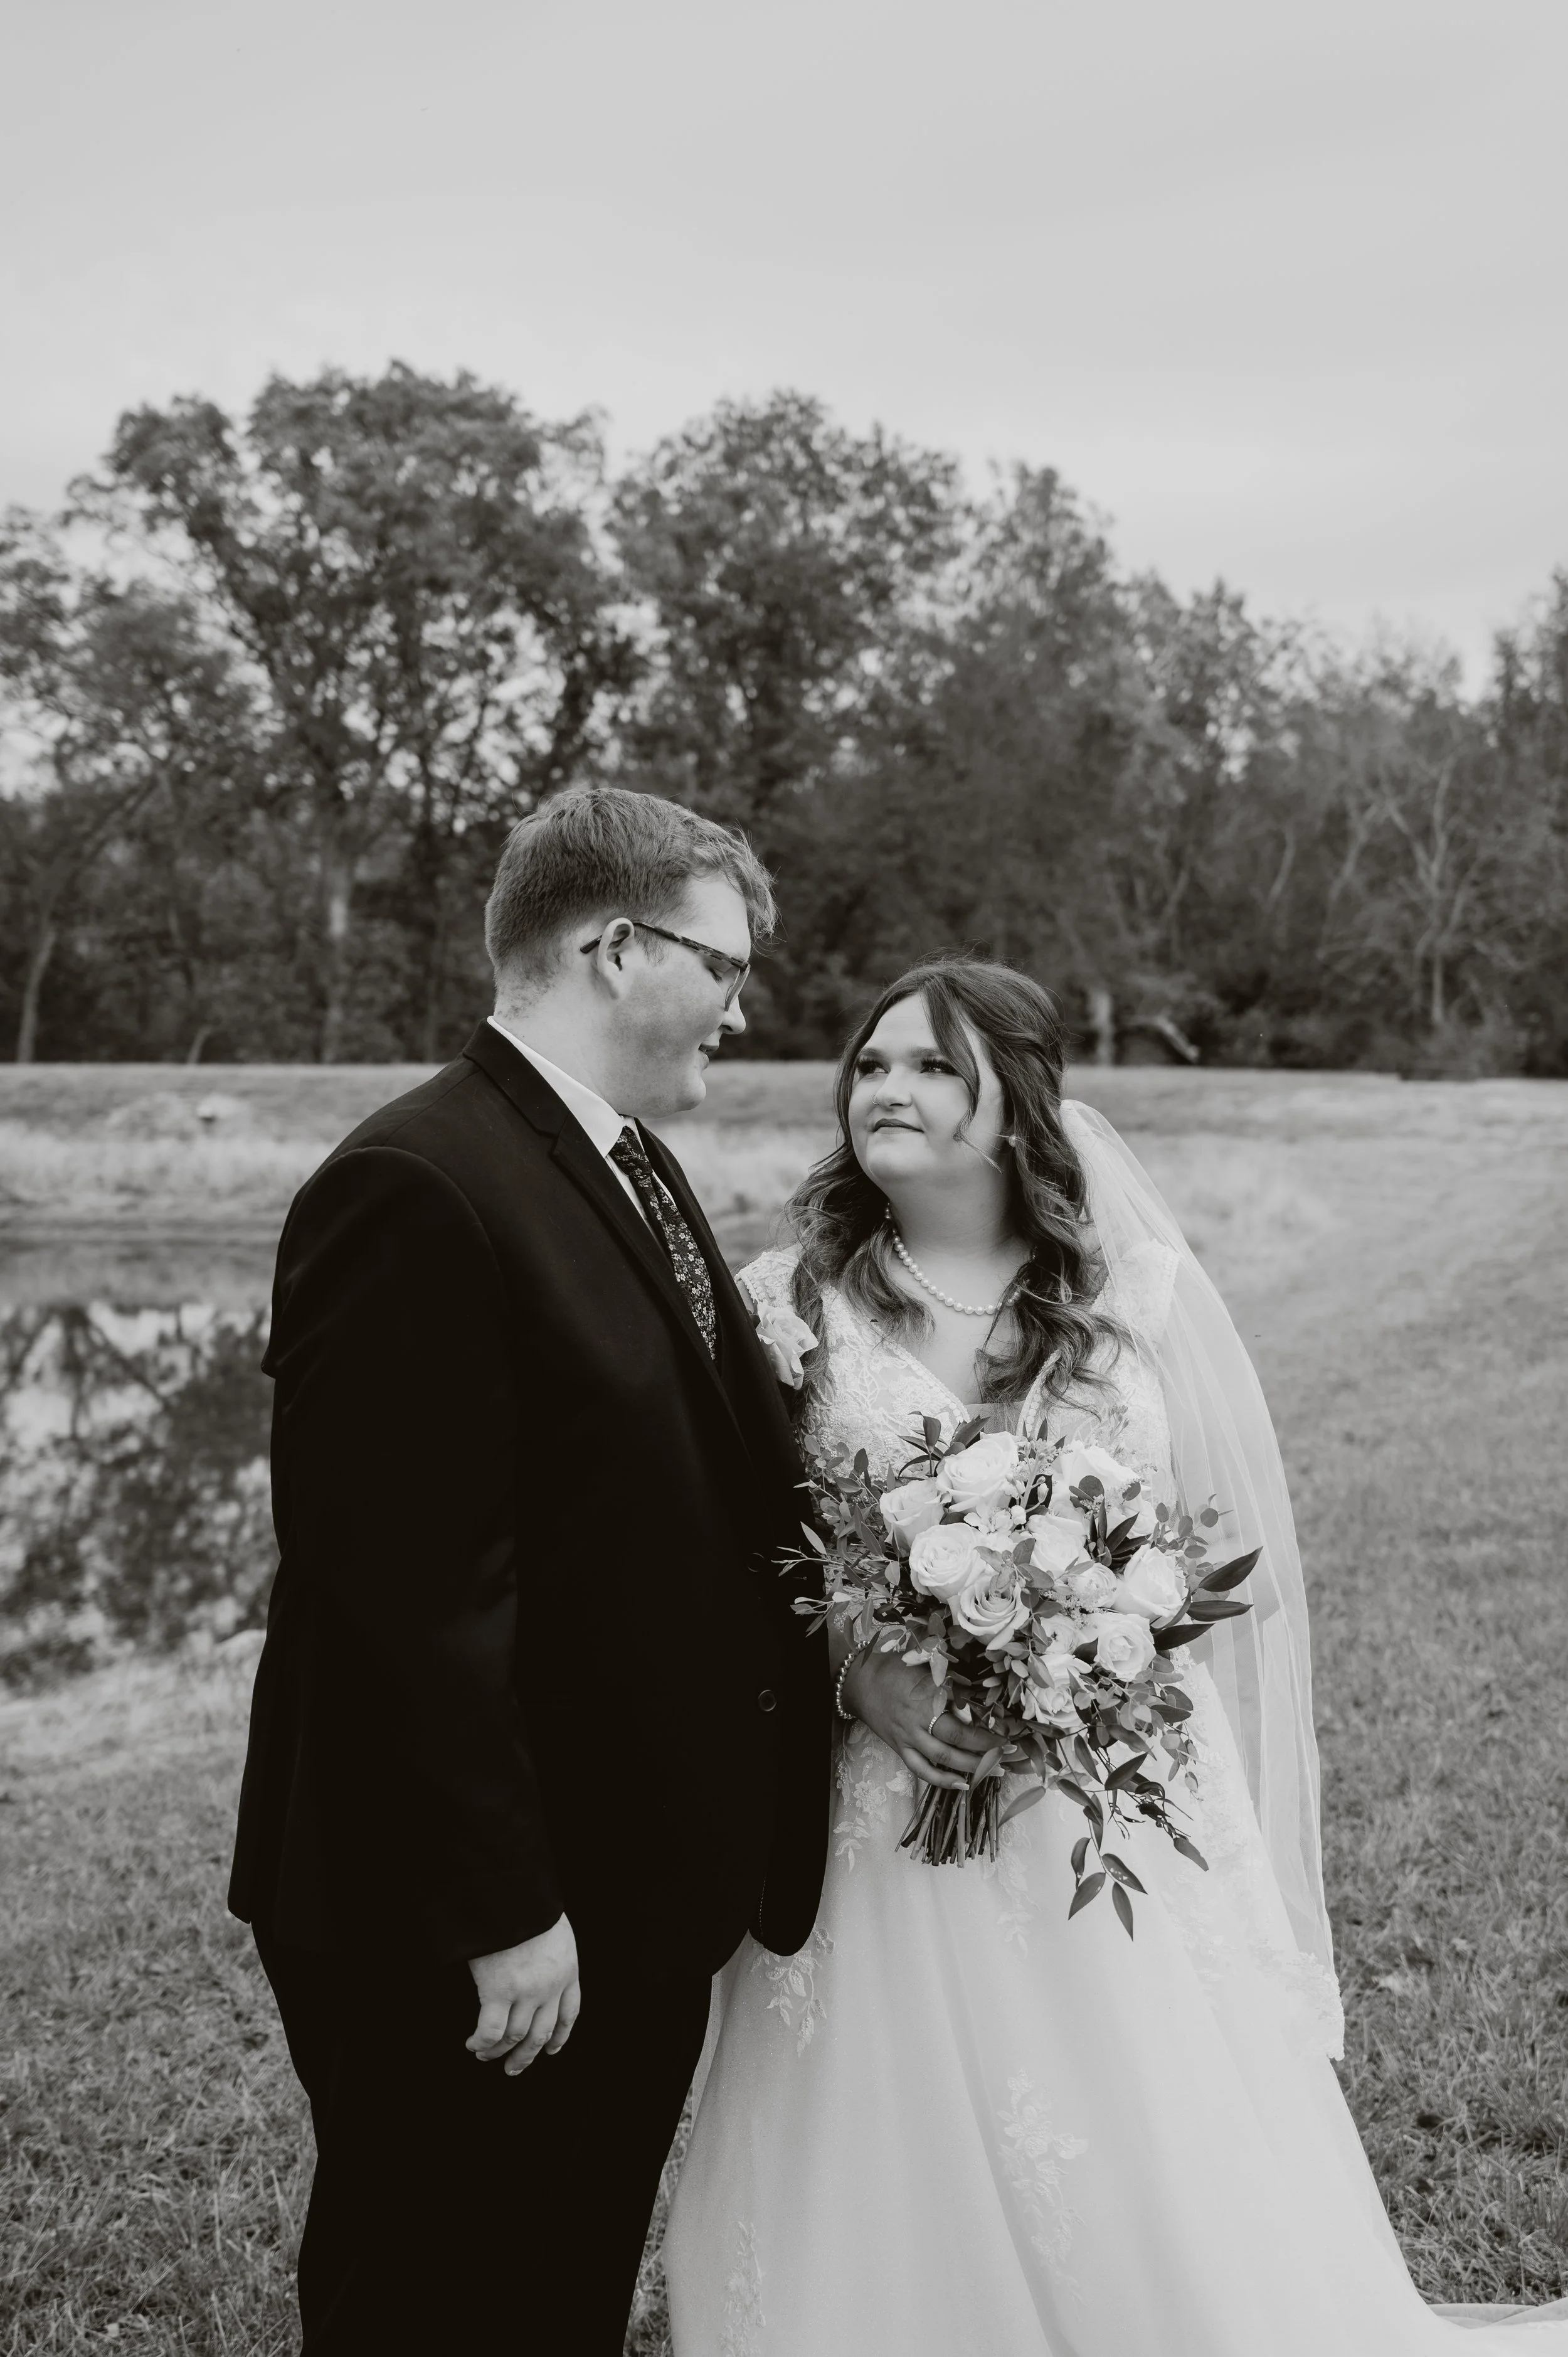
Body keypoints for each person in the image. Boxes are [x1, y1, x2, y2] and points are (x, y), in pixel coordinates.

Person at [664, 956, 1568, 2356]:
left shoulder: (1130, 1293)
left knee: (1131, 2123)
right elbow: (731, 1552)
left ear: (1014, 1101)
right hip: (875, 1800)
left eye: (930, 1067)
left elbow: (1197, 1553)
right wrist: (858, 1668)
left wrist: (1090, 1655)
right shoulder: (785, 1302)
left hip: (1103, 1787)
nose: (884, 1092)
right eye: (871, 1064)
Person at [228, 786, 830, 2355]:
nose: (742, 1005)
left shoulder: (613, 1157)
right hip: (478, 1909)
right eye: (723, 963)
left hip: (615, 1879)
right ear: (616, 948)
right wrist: (499, 1907)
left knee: (550, 2277)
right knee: (431, 2287)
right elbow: (401, 1599)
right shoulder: (415, 1183)